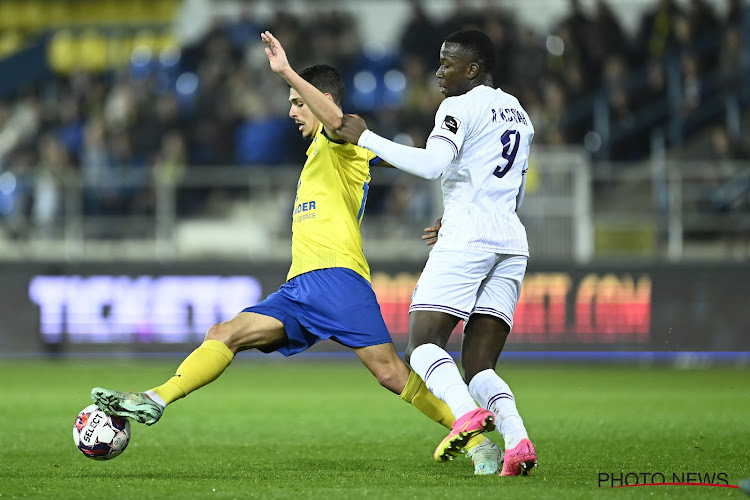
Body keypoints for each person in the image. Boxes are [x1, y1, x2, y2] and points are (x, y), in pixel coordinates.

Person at [90, 30, 502, 475]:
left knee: (391, 374)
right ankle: (155, 399)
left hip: (338, 278)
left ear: (320, 99)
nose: (291, 111)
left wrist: (286, 70)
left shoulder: (342, 140)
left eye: (297, 102)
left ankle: (478, 440)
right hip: (300, 287)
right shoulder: (317, 151)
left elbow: (337, 118)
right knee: (224, 333)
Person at [336, 29, 537, 476]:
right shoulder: (520, 113)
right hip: (510, 239)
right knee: (480, 365)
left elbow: (431, 165)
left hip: (468, 238)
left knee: (422, 347)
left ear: (473, 69)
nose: (439, 72)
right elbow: (514, 186)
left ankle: (465, 414)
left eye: (449, 64)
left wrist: (366, 137)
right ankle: (518, 440)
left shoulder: (459, 106)